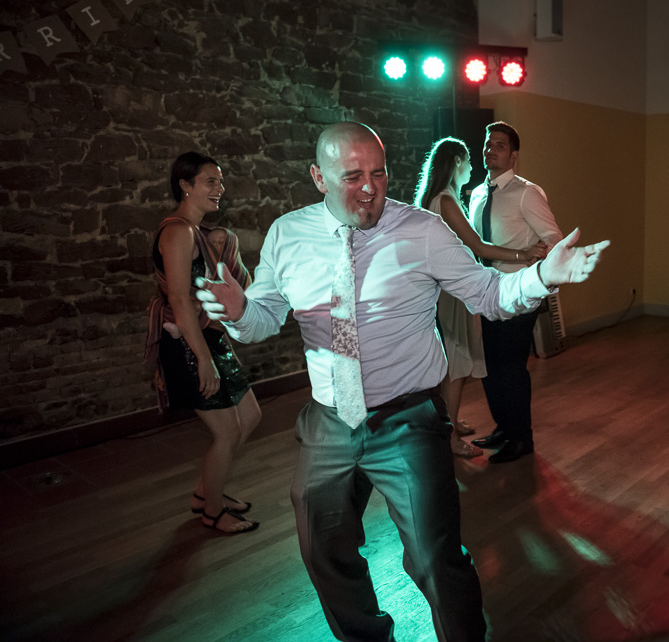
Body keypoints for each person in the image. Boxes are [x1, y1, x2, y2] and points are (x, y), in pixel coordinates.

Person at [195, 122, 609, 641]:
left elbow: (487, 294)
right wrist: (238, 311)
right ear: (317, 177)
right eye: (352, 176)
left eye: (379, 173)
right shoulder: (288, 233)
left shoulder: (423, 231)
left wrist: (543, 276)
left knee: (437, 559)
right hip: (329, 421)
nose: (369, 188)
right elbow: (263, 319)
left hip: (407, 420)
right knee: (322, 551)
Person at [144, 152, 261, 534]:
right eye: (211, 181)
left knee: (251, 416)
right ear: (186, 186)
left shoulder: (199, 233)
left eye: (220, 182)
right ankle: (213, 512)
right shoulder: (177, 231)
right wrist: (203, 360)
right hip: (189, 346)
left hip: (208, 338)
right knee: (226, 432)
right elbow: (179, 300)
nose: (219, 189)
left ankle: (206, 492)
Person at [415, 137, 547, 458]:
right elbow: (480, 247)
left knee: (459, 362)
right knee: (457, 365)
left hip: (455, 289)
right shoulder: (447, 201)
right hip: (456, 291)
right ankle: (449, 438)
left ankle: (459, 425)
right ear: (457, 164)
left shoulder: (443, 198)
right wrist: (524, 252)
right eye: (470, 160)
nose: (475, 165)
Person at [469, 121, 564, 463]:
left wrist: (535, 275)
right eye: (487, 143)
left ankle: (522, 438)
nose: (490, 150)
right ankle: (504, 429)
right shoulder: (478, 193)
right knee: (490, 367)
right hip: (484, 291)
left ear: (514, 155)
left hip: (516, 294)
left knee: (511, 368)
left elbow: (554, 239)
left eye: (499, 145)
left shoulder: (527, 192)